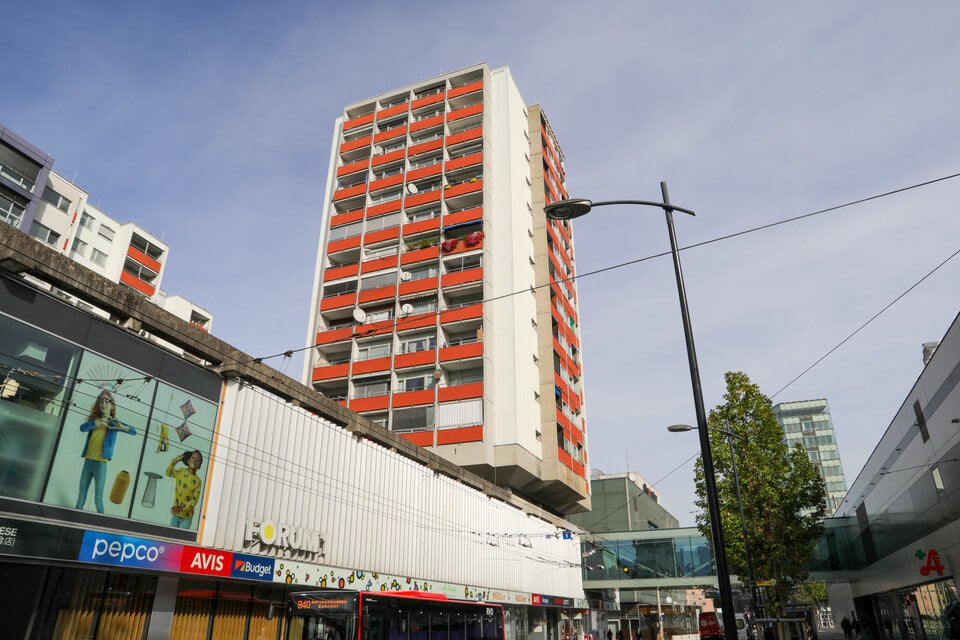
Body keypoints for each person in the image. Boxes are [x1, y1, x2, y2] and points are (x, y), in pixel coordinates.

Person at [76, 390, 137, 513]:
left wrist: (121, 426)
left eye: (107, 401)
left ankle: (101, 522)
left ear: (112, 405)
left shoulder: (114, 423)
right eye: (101, 401)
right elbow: (82, 428)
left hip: (101, 464)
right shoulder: (94, 421)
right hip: (88, 462)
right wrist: (97, 422)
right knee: (81, 495)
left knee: (98, 497)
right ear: (99, 404)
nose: (104, 404)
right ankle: (75, 518)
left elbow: (134, 431)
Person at [166, 450, 204, 528]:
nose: (195, 460)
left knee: (180, 537)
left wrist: (182, 508)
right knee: (170, 535)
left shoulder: (198, 481)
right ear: (188, 460)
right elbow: (168, 473)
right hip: (176, 514)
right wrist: (176, 460)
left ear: (199, 466)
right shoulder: (181, 471)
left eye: (198, 460)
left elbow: (194, 500)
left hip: (187, 517)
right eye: (193, 457)